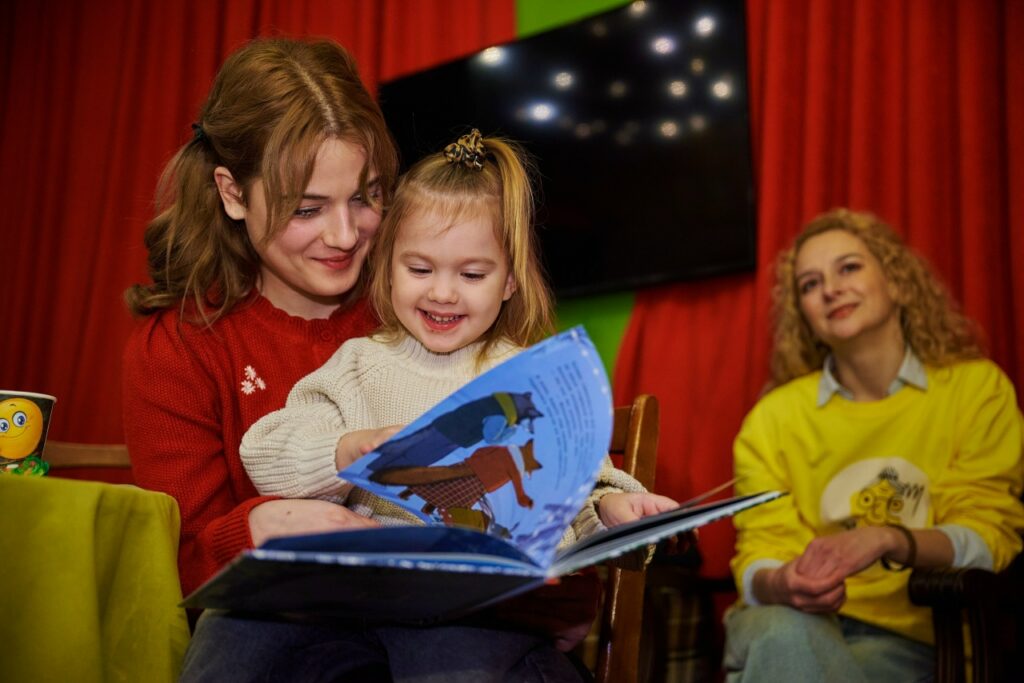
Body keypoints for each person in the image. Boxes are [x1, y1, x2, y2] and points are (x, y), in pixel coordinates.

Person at [238, 129, 678, 679]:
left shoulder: (532, 379)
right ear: (387, 266)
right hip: (367, 607)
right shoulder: (357, 365)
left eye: (471, 275)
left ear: (510, 280)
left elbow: (580, 487)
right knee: (242, 631)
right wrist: (345, 449)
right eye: (419, 269)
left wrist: (612, 510)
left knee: (448, 650)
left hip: (490, 616)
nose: (442, 292)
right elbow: (265, 453)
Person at [122, 36, 399, 677]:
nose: (345, 235)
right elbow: (178, 560)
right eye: (307, 208)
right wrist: (257, 529)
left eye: (366, 196)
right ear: (232, 192)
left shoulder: (425, 308)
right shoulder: (181, 346)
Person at [723, 208, 1024, 682]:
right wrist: (781, 581)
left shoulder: (977, 391)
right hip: (788, 618)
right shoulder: (772, 419)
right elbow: (759, 551)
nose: (831, 289)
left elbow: (989, 538)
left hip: (914, 640)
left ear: (898, 283)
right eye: (810, 284)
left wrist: (888, 538)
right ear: (803, 316)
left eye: (848, 267)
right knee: (784, 636)